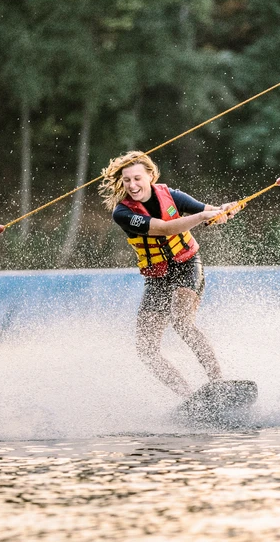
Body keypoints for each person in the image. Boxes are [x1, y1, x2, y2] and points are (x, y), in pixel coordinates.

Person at [100, 151, 241, 397]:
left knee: (182, 321)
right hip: (157, 276)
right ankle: (189, 398)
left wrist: (225, 211)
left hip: (186, 265)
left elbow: (212, 212)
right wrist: (204, 216)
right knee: (146, 349)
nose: (132, 185)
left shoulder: (172, 196)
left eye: (137, 178)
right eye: (127, 180)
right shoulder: (122, 213)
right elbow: (164, 229)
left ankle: (219, 382)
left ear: (150, 176)